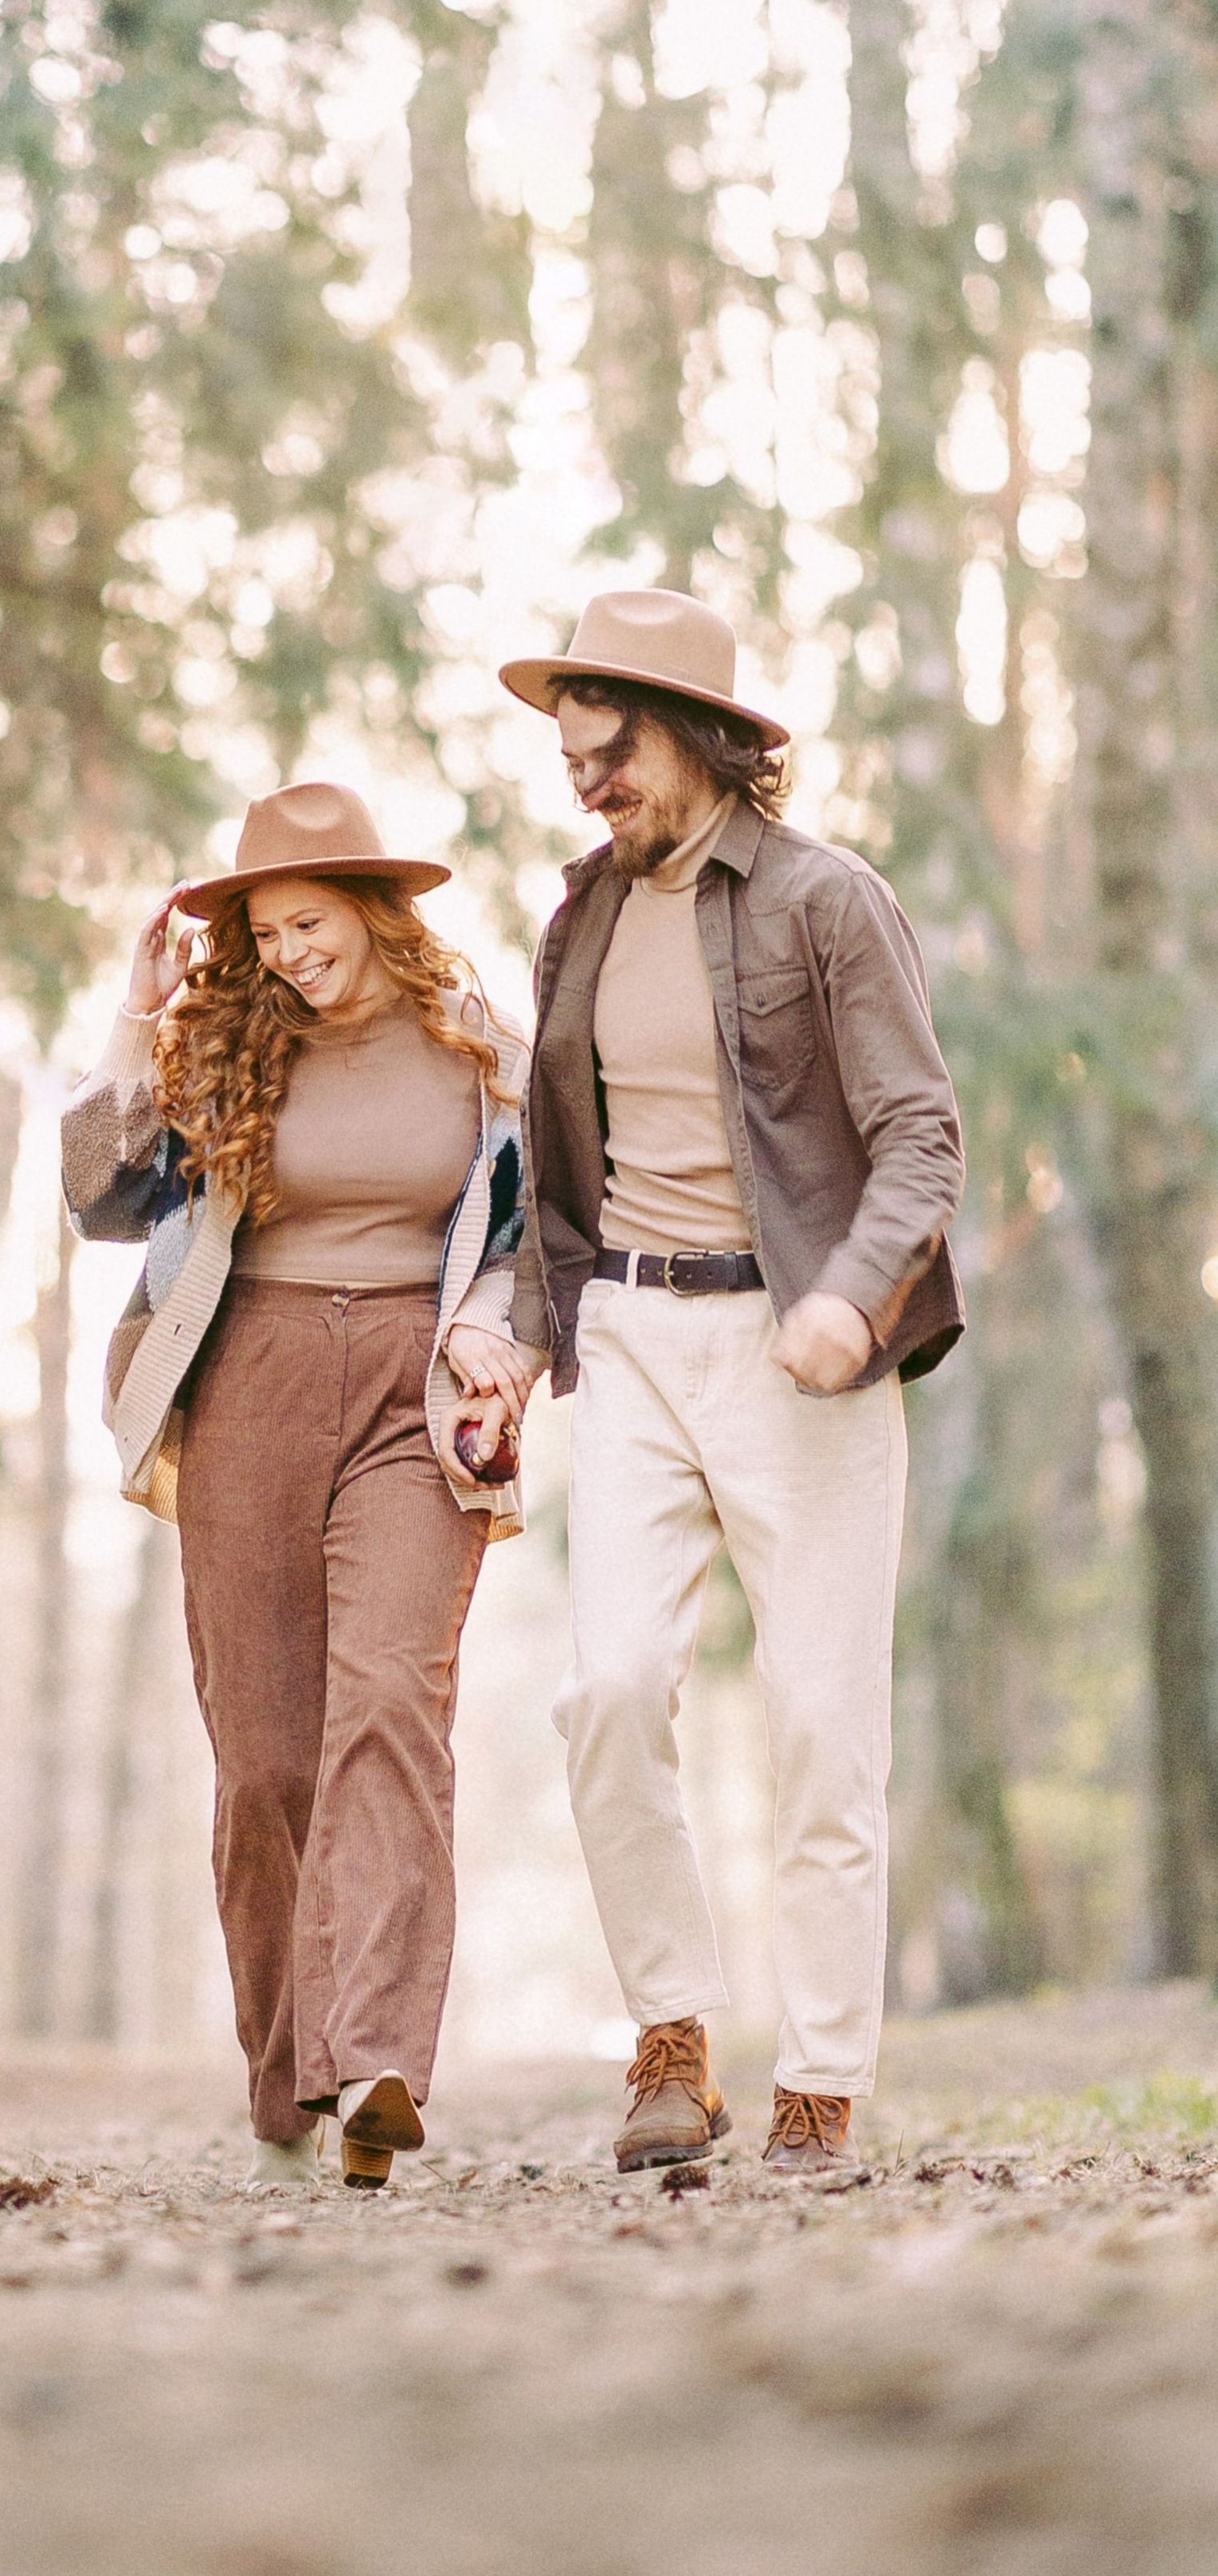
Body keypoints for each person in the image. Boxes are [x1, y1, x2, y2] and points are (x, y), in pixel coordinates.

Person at [499, 589, 964, 2177]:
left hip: (799, 1352)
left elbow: (920, 1134)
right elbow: (550, 1173)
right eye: (567, 755)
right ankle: (672, 2038)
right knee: (607, 1687)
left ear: (698, 733)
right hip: (628, 1337)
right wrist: (505, 1334)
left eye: (608, 746)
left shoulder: (825, 902)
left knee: (821, 1726)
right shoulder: (575, 919)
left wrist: (848, 1299)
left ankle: (820, 2084)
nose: (585, 776)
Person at [61, 781, 537, 2191]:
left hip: (417, 1392)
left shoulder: (484, 1059)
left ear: (378, 917)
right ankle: (287, 2084)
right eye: (263, 931)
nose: (287, 953)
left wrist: (499, 1334)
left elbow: (538, 1232)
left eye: (310, 924)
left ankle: (378, 2064)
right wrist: (137, 1022)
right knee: (267, 1759)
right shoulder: (222, 1048)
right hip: (247, 1384)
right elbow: (98, 1200)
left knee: (392, 1702)